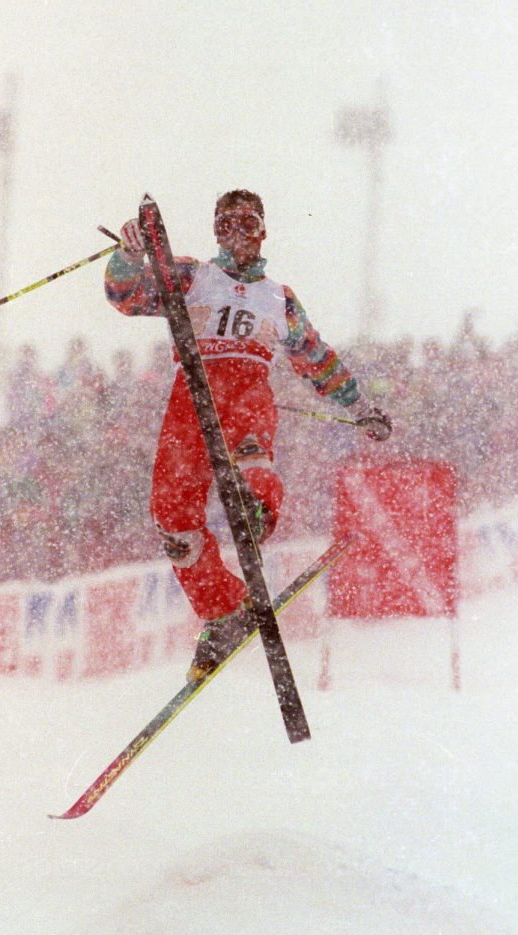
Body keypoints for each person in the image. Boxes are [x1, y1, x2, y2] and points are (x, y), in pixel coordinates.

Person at [105, 189, 391, 681]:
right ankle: (224, 609)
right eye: (226, 226)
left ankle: (254, 506)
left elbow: (315, 358)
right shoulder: (195, 275)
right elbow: (127, 297)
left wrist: (359, 406)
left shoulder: (278, 299)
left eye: (247, 224)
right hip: (192, 396)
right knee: (171, 518)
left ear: (262, 231)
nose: (237, 235)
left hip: (244, 390)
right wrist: (128, 256)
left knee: (252, 452)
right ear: (216, 232)